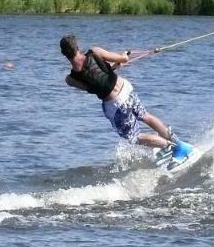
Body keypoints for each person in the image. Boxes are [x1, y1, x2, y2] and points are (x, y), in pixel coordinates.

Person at [60, 35, 192, 161]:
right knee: (146, 116)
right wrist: (122, 56)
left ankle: (172, 147)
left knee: (134, 138)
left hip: (115, 104)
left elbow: (93, 87)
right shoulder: (95, 51)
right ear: (78, 47)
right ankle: (177, 142)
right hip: (125, 88)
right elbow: (123, 60)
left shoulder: (70, 79)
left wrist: (114, 66)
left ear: (64, 54)